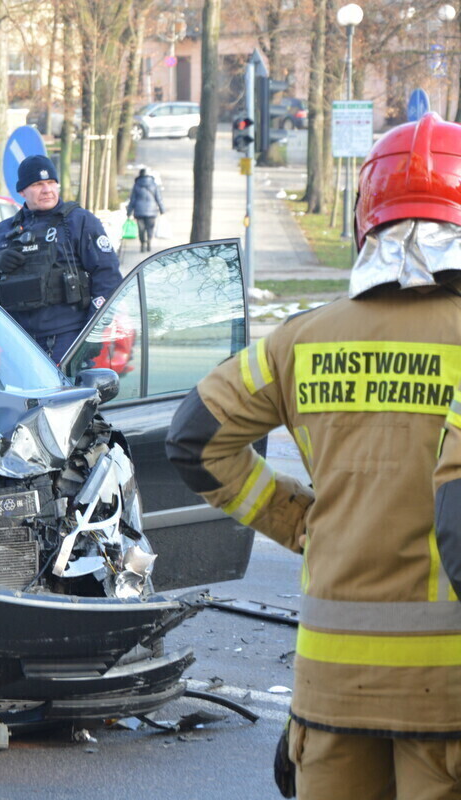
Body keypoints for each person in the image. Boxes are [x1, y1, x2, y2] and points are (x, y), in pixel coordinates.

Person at [166, 112, 461, 799]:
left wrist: (298, 520)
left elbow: (195, 439)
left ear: (367, 220)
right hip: (444, 697)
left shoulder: (300, 340)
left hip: (329, 692)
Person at [0, 154, 121, 362]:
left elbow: (108, 278)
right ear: (22, 191)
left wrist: (91, 334)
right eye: (38, 184)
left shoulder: (79, 222)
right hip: (17, 340)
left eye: (51, 183)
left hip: (67, 338)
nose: (47, 190)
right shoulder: (5, 231)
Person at [125, 168, 164, 253]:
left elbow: (133, 200)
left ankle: (142, 243)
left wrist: (129, 211)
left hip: (139, 211)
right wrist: (162, 209)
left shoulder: (136, 185)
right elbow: (159, 199)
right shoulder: (154, 185)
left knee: (141, 229)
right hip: (152, 211)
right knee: (150, 228)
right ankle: (149, 241)